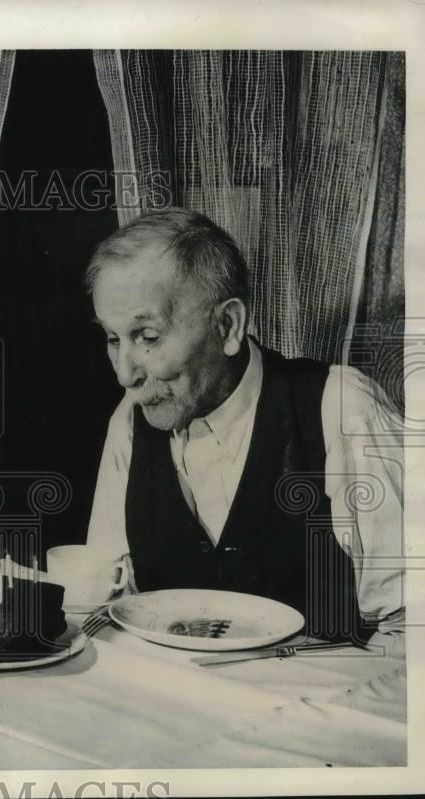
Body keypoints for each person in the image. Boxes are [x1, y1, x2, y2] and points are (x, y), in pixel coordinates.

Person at [84, 208, 404, 644]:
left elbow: (411, 626)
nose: (125, 374)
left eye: (148, 336)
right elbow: (109, 601)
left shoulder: (341, 409)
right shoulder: (129, 422)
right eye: (113, 338)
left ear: (227, 326)